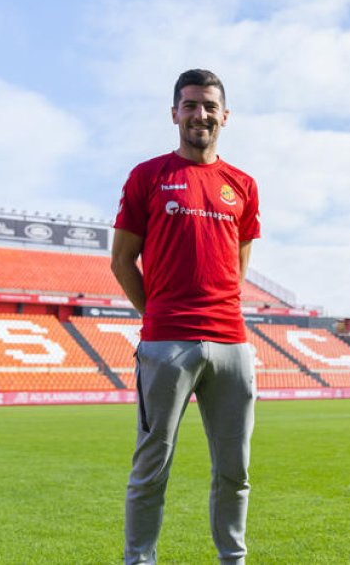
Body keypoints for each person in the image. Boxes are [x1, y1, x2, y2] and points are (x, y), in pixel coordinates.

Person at [112, 68, 261, 564]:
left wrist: (220, 308)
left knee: (234, 471)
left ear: (225, 116)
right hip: (166, 342)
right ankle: (140, 561)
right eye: (191, 105)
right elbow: (120, 261)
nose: (200, 115)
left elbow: (238, 266)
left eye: (209, 106)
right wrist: (156, 314)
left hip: (231, 345)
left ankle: (232, 559)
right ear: (174, 112)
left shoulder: (242, 185)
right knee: (151, 467)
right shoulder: (148, 176)